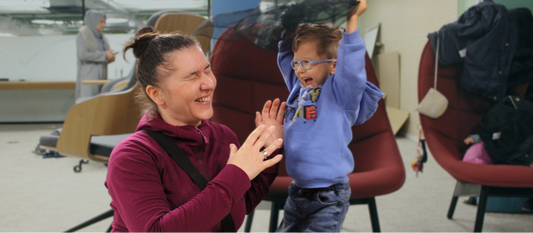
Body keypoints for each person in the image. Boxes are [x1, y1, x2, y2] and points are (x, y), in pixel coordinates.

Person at [105, 26, 286, 232]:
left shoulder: (222, 136)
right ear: (157, 94)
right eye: (192, 77)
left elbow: (237, 205)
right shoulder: (132, 156)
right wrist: (236, 174)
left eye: (207, 70)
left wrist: (268, 151)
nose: (208, 83)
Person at [276, 0, 384, 232]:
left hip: (329, 194)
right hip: (298, 189)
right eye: (297, 63)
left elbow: (352, 68)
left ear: (334, 66)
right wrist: (289, 28)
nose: (299, 69)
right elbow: (286, 58)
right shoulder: (299, 88)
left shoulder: (341, 93)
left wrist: (352, 20)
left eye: (306, 62)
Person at [75, 10, 116, 101]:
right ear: (93, 21)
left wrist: (109, 56)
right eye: (101, 22)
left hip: (101, 76)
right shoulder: (83, 35)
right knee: (88, 103)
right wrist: (104, 55)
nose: (103, 25)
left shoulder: (101, 37)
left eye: (104, 22)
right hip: (89, 77)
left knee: (99, 103)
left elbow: (103, 54)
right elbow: (83, 55)